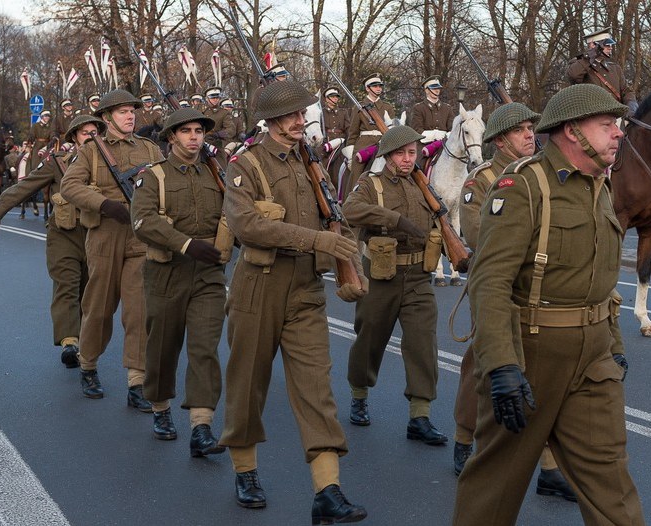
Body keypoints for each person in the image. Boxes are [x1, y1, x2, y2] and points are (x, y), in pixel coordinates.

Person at [453, 84, 644, 526]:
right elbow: (491, 280)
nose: (618, 133)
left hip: (594, 360)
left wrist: (613, 342)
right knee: (494, 488)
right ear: (573, 133)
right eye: (607, 125)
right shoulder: (522, 186)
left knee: (612, 488)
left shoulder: (600, 186)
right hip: (531, 354)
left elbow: (600, 281)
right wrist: (500, 365)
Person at [219, 80, 367, 522]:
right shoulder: (245, 165)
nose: (301, 121)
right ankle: (245, 470)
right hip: (258, 289)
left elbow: (335, 215)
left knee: (316, 390)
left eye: (303, 114)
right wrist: (317, 239)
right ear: (272, 122)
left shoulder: (313, 163)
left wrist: (346, 249)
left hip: (305, 290)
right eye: (292, 116)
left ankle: (328, 489)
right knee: (248, 384)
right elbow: (248, 227)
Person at [452, 102, 577, 500]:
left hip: (540, 291)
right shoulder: (481, 181)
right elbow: (477, 236)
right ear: (500, 139)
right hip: (498, 287)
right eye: (521, 129)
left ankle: (550, 468)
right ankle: (463, 435)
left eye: (531, 127)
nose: (530, 135)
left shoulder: (542, 175)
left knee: (539, 372)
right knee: (483, 365)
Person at [129, 108, 227, 457]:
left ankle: (201, 425)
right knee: (163, 346)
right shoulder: (152, 176)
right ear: (171, 137)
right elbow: (142, 221)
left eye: (198, 130)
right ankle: (159, 407)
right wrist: (186, 244)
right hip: (167, 272)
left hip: (208, 275)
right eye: (185, 131)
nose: (193, 137)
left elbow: (235, 214)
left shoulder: (217, 174)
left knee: (205, 348)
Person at [342, 126, 447, 445]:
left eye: (412, 152)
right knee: (369, 338)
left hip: (418, 277)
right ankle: (359, 395)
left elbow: (440, 218)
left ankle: (420, 415)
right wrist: (394, 219)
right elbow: (350, 210)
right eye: (400, 153)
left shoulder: (423, 185)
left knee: (422, 344)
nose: (406, 159)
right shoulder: (370, 184)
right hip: (380, 277)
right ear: (387, 157)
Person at [59, 89, 164, 405]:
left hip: (140, 237)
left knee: (139, 310)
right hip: (105, 234)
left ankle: (137, 381)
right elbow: (70, 186)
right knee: (99, 307)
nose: (130, 116)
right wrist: (105, 204)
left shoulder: (149, 148)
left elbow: (168, 184)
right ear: (106, 118)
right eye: (121, 112)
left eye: (132, 110)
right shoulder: (92, 150)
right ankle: (88, 364)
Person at [0, 115, 98, 368]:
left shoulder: (110, 168)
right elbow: (24, 187)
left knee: (90, 293)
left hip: (98, 237)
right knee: (67, 286)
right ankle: (70, 342)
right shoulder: (58, 164)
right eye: (85, 133)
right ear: (75, 138)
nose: (91, 137)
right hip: (64, 235)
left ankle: (86, 342)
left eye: (95, 132)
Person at [566, 28, 639, 115]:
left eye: (611, 45)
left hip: (615, 115)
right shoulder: (579, 65)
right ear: (593, 45)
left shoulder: (615, 68)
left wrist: (632, 104)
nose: (610, 48)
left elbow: (626, 91)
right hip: (592, 117)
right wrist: (589, 57)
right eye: (607, 45)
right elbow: (574, 75)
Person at [346, 74, 396, 198]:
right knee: (356, 171)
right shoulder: (359, 107)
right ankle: (352, 199)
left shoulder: (387, 107)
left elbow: (392, 128)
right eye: (375, 86)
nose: (378, 88)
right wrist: (350, 153)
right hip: (364, 143)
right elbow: (353, 132)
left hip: (384, 142)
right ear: (368, 88)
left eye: (380, 86)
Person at [321, 87, 351, 190]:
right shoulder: (321, 112)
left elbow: (348, 129)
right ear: (326, 99)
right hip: (326, 143)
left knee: (340, 169)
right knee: (323, 168)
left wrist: (349, 143)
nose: (335, 99)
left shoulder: (343, 112)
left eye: (336, 97)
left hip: (340, 143)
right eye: (332, 97)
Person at [410, 75, 454, 143]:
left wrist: (446, 135)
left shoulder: (447, 108)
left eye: (438, 88)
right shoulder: (418, 108)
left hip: (444, 144)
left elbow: (452, 128)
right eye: (434, 88)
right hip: (424, 145)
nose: (437, 91)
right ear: (427, 90)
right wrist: (434, 135)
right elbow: (417, 130)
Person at [200, 87, 236, 166]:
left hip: (216, 147)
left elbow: (231, 130)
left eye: (217, 97)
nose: (215, 100)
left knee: (221, 170)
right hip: (200, 145)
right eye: (213, 98)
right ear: (207, 99)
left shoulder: (224, 113)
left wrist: (218, 134)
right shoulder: (201, 112)